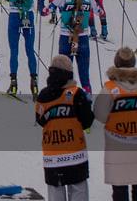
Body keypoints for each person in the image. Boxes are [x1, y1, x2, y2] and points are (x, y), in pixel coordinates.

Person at [94, 47, 137, 201]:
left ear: (116, 63)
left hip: (117, 145)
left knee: (119, 186)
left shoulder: (110, 88)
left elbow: (100, 115)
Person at [35, 54, 94, 201]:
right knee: (79, 191)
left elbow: (40, 120)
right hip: (75, 156)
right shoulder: (76, 93)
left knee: (56, 194)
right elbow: (87, 121)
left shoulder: (43, 96)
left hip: (52, 157)